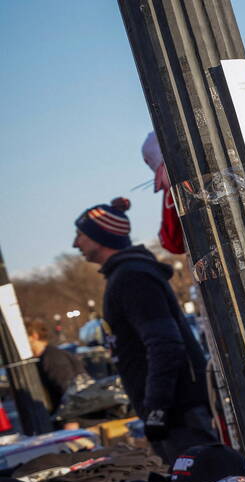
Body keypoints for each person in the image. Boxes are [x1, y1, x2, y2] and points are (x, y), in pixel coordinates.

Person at [73, 197, 215, 461]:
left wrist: (157, 409)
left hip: (179, 415)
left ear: (101, 236)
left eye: (80, 234)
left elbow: (165, 344)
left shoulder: (132, 277)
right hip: (176, 413)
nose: (75, 243)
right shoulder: (127, 274)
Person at [26, 320, 87, 429]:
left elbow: (69, 390)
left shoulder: (51, 359)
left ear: (34, 336)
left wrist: (71, 421)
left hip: (74, 422)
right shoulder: (47, 357)